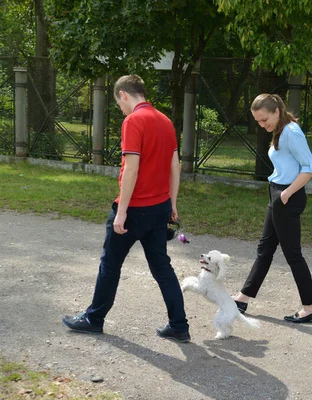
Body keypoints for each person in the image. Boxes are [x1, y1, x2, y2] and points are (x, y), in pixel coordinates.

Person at [62, 74, 190, 342]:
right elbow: (174, 165)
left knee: (110, 263)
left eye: (119, 103)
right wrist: (173, 204)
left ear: (124, 95)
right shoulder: (165, 121)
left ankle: (93, 318)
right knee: (162, 267)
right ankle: (179, 325)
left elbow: (131, 168)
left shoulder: (133, 120)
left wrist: (122, 211)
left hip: (134, 209)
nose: (121, 108)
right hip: (160, 208)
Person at [232, 93, 312, 323]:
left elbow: (309, 167)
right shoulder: (281, 131)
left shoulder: (291, 132)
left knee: (293, 254)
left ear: (276, 112)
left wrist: (286, 194)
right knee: (265, 249)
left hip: (287, 196)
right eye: (258, 121)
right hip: (278, 194)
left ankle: (310, 307)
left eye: (264, 120)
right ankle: (243, 297)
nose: (262, 125)